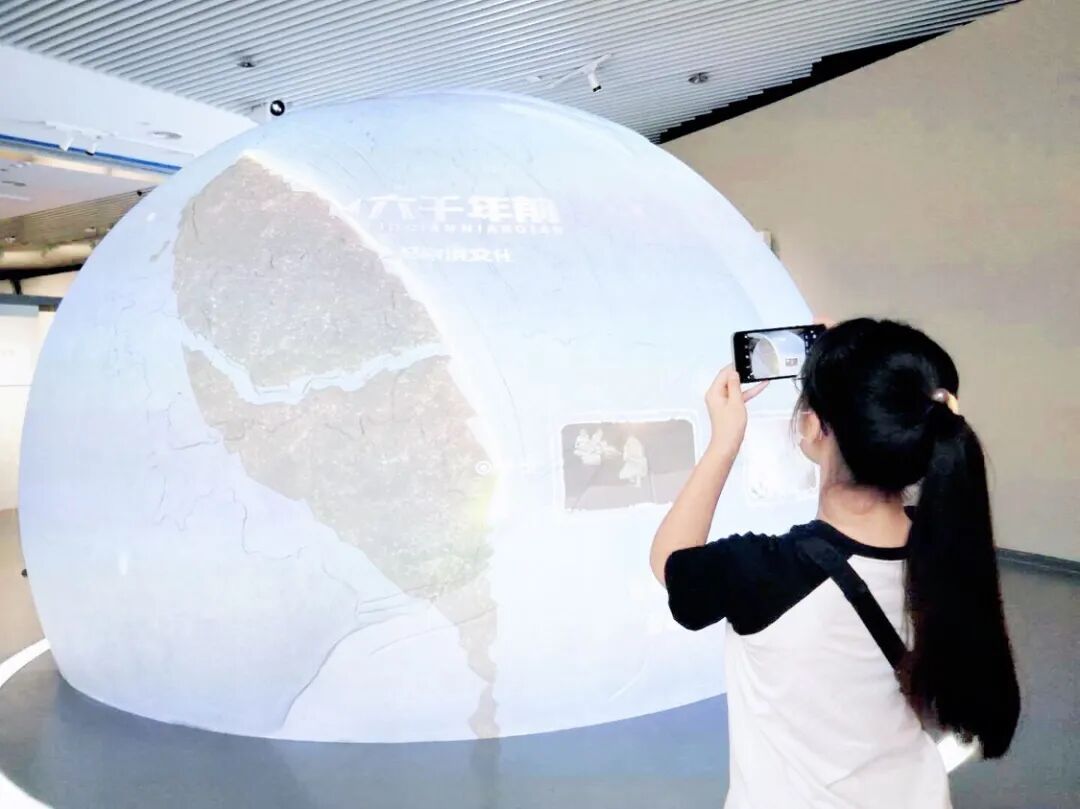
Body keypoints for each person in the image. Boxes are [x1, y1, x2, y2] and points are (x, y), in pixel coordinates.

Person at [649, 318, 1019, 809]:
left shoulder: (760, 572)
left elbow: (670, 560)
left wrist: (724, 441)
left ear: (815, 425)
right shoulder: (945, 548)